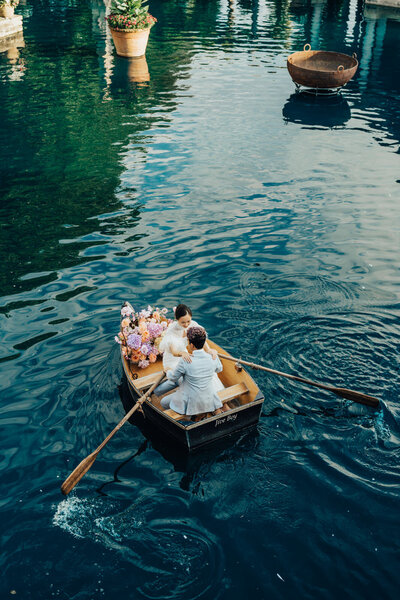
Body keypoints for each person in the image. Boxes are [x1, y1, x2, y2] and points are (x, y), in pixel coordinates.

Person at [155, 326, 224, 417]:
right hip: (209, 397)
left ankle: (192, 417)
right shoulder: (213, 356)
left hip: (192, 400)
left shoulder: (185, 360)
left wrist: (168, 370)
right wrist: (213, 353)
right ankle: (203, 414)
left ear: (191, 345)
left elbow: (172, 378)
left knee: (163, 402)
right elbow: (219, 369)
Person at [159, 304, 218, 371]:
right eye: (183, 322)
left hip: (185, 354)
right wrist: (182, 353)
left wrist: (208, 350)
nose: (186, 325)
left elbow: (200, 337)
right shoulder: (172, 330)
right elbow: (174, 352)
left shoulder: (193, 324)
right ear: (176, 318)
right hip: (173, 358)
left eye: (188, 321)